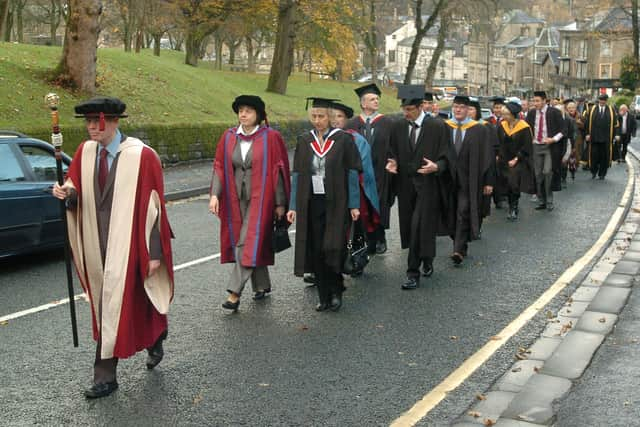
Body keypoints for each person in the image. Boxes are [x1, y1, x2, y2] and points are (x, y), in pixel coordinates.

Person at [52, 97, 174, 399]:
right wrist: (65, 193)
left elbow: (155, 207)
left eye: (97, 121)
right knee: (108, 307)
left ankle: (156, 334)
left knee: (138, 301)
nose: (92, 128)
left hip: (132, 245)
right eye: (88, 122)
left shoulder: (142, 156)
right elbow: (75, 189)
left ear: (114, 121)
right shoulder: (85, 151)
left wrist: (154, 254)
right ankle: (105, 376)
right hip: (98, 243)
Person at [209, 95, 290, 311]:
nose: (243, 114)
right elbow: (219, 166)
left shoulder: (270, 137)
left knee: (247, 242)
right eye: (241, 110)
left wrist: (280, 203)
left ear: (259, 115)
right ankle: (261, 285)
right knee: (251, 241)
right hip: (235, 198)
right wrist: (215, 194)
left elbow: (279, 169)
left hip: (262, 198)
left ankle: (234, 293)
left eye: (248, 111)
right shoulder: (229, 136)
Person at [287, 98, 361, 311]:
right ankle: (323, 296)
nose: (317, 121)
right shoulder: (304, 140)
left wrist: (354, 204)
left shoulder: (344, 140)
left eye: (321, 116)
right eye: (314, 117)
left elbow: (352, 173)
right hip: (312, 202)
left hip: (337, 202)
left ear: (329, 118)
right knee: (316, 249)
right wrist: (293, 206)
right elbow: (298, 174)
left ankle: (336, 291)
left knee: (333, 247)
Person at [386, 85, 455, 289]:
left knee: (420, 225)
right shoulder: (397, 126)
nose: (405, 113)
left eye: (409, 110)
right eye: (403, 109)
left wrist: (437, 166)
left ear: (419, 107)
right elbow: (392, 151)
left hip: (428, 185)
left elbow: (448, 156)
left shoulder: (437, 126)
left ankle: (412, 272)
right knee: (410, 227)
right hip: (406, 186)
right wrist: (392, 162)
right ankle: (427, 257)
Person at [331, 101, 381, 277]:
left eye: (339, 116)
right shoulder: (321, 138)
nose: (335, 120)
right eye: (332, 116)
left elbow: (365, 169)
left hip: (353, 191)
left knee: (354, 229)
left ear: (346, 120)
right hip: (329, 193)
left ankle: (357, 258)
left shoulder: (356, 140)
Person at [445, 95, 494, 265]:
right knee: (450, 212)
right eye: (455, 106)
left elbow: (488, 157)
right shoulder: (445, 127)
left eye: (462, 107)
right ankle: (460, 242)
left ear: (468, 110)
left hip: (470, 180)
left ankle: (457, 249)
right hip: (448, 179)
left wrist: (488, 181)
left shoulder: (479, 130)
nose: (458, 110)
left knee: (463, 211)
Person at [346, 83, 393, 255]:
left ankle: (380, 236)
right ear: (363, 103)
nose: (376, 101)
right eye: (372, 99)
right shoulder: (351, 123)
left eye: (377, 99)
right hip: (360, 173)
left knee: (380, 203)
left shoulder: (387, 122)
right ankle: (365, 240)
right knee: (363, 206)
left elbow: (394, 146)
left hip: (381, 171)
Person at [526, 90, 565, 211]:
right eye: (533, 100)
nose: (535, 103)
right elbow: (527, 128)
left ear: (544, 100)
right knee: (538, 175)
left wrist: (553, 139)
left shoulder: (554, 112)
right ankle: (541, 200)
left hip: (549, 147)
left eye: (537, 101)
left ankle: (549, 200)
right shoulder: (532, 113)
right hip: (536, 146)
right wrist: (530, 138)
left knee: (547, 172)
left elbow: (563, 130)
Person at [496, 100, 536, 221]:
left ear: (513, 114)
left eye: (506, 114)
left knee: (513, 183)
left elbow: (527, 146)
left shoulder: (524, 127)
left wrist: (517, 158)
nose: (504, 117)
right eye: (503, 114)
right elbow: (498, 142)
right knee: (506, 183)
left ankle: (514, 207)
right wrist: (497, 154)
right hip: (503, 159)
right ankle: (510, 203)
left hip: (519, 160)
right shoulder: (502, 125)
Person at [584, 94, 618, 180]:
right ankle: (593, 172)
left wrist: (615, 135)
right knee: (594, 156)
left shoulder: (611, 110)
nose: (602, 101)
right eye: (601, 100)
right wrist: (587, 134)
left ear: (606, 101)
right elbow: (587, 123)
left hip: (606, 138)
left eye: (604, 100)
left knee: (604, 157)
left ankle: (602, 173)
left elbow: (615, 124)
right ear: (599, 100)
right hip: (594, 138)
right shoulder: (592, 110)